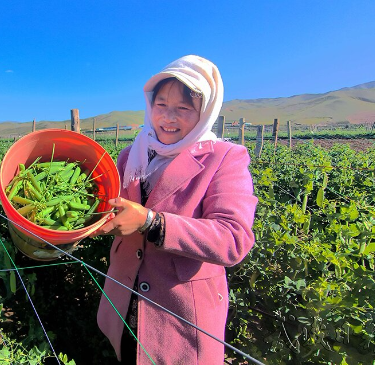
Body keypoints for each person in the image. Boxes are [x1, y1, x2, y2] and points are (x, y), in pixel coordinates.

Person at [92, 55, 258, 364]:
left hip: (178, 318)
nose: (168, 117)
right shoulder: (132, 154)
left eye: (183, 108)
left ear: (205, 112)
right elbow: (112, 210)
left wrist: (153, 223)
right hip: (123, 299)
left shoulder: (224, 158)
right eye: (161, 105)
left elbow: (233, 238)